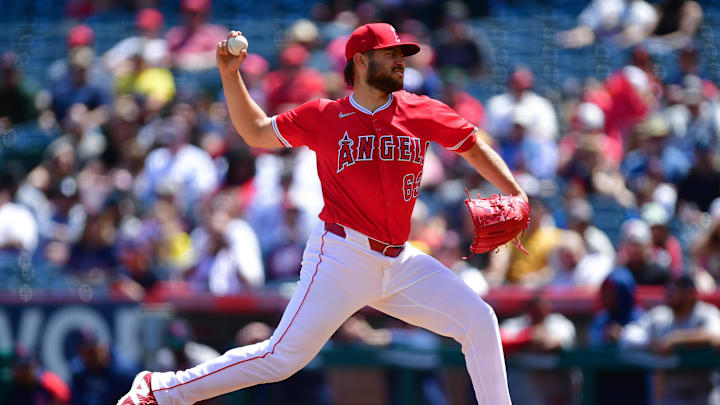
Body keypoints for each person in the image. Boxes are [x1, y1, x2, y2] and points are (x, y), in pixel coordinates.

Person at [118, 23, 526, 405]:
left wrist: (514, 192)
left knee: (480, 320)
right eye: (391, 54)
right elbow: (256, 131)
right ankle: (159, 390)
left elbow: (472, 145)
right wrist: (231, 76)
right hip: (341, 258)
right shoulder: (325, 116)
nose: (402, 61)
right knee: (279, 359)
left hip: (401, 261)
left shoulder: (420, 110)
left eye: (403, 54)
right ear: (361, 61)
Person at [621, 274, 720, 405]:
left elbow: (716, 335)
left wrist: (676, 339)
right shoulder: (661, 315)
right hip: (670, 394)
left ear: (689, 293)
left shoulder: (705, 313)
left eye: (675, 290)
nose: (669, 294)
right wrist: (651, 343)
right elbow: (629, 335)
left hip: (702, 393)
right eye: (668, 290)